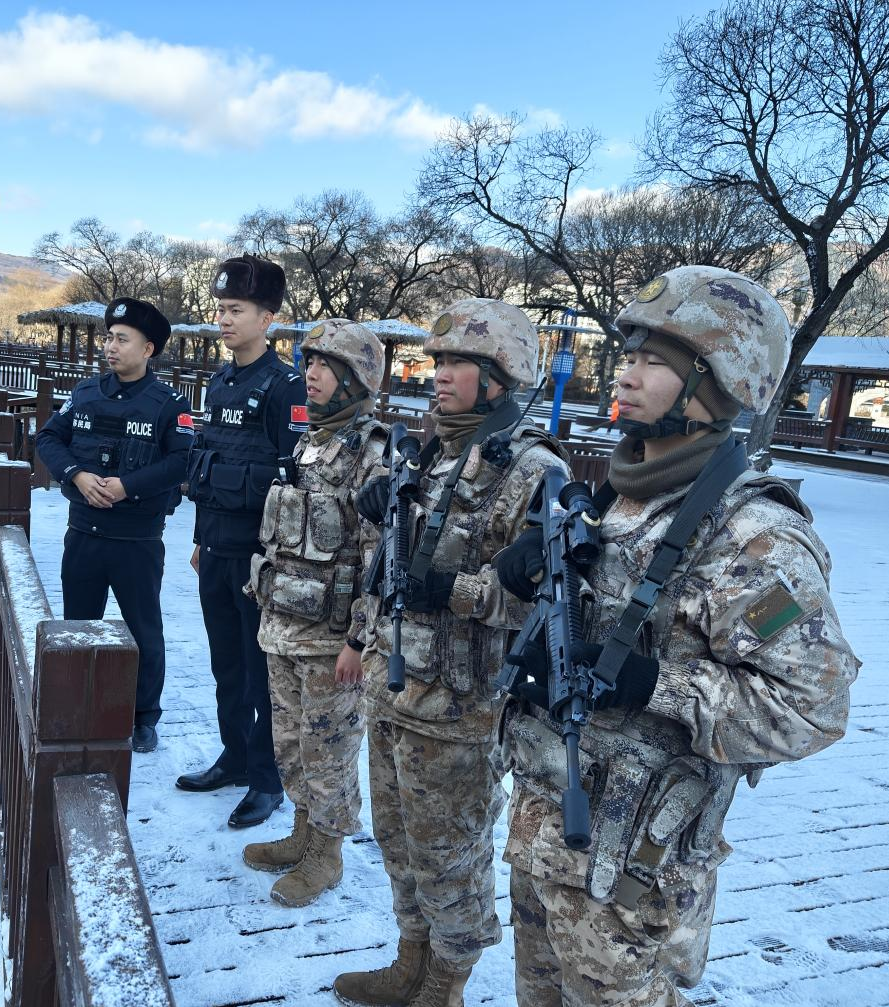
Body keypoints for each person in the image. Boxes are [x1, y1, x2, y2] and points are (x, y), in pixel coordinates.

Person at [494, 265, 861, 1006]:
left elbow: (813, 708)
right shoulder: (615, 500)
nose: (625, 374)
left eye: (653, 361)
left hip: (634, 871)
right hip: (545, 832)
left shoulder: (752, 537)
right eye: (627, 355)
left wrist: (652, 685)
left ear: (719, 384)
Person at [333, 300, 566, 1007]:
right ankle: (411, 959)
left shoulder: (532, 470)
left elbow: (548, 601)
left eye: (458, 362)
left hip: (463, 711)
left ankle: (445, 984)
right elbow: (389, 571)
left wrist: (454, 591)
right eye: (437, 361)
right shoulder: (431, 452)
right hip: (395, 687)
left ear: (500, 376)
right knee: (397, 841)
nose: (438, 374)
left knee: (449, 858)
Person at [241, 319, 389, 907]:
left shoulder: (373, 454)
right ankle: (303, 834)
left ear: (358, 378)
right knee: (291, 743)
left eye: (328, 366)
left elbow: (381, 560)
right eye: (310, 363)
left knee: (329, 751)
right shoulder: (311, 441)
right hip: (283, 628)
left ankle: (326, 855)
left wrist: (359, 640)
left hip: (332, 642)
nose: (312, 374)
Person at [178, 254, 308, 829]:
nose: (224, 320)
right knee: (225, 666)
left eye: (236, 310)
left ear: (267, 319)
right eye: (221, 310)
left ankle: (266, 777)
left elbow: (294, 478)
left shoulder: (285, 388)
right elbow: (207, 464)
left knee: (261, 675)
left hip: (259, 557)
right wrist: (200, 538)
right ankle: (233, 757)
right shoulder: (220, 381)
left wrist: (278, 558)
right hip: (216, 548)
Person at [34, 297, 193, 754]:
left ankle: (144, 716)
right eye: (109, 338)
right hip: (84, 534)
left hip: (136, 540)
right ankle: (76, 706)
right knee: (77, 626)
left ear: (148, 349)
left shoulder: (168, 404)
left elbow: (182, 459)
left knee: (144, 631)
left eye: (122, 339)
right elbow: (49, 437)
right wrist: (76, 475)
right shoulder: (85, 394)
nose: (111, 346)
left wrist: (128, 487)